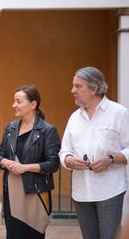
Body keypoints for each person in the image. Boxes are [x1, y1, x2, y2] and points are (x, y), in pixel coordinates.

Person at [59, 66, 129, 239]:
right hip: (81, 193)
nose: (72, 90)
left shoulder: (118, 113)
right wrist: (69, 160)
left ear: (94, 88)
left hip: (110, 191)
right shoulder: (74, 117)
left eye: (78, 86)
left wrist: (110, 159)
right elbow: (64, 151)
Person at [0, 85, 61, 239]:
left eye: (18, 101)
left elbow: (53, 163)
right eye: (14, 101)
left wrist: (24, 168)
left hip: (36, 192)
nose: (14, 105)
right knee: (13, 234)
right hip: (11, 191)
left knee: (34, 234)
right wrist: (4, 162)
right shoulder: (10, 128)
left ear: (33, 104)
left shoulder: (48, 131)